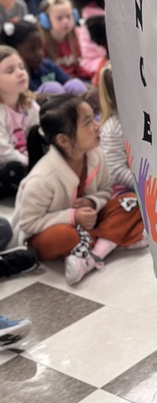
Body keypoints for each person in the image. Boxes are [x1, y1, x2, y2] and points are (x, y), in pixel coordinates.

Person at [14, 95, 146, 285]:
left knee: (132, 201)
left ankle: (91, 255)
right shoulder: (42, 178)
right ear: (63, 140)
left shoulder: (96, 155)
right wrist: (72, 216)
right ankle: (112, 239)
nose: (97, 125)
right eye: (87, 123)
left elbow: (105, 191)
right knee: (65, 236)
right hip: (53, 233)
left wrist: (93, 202)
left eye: (94, 118)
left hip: (88, 223)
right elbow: (29, 224)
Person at [1, 19, 87, 96]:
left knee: (76, 84)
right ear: (13, 52)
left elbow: (68, 82)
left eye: (40, 46)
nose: (40, 53)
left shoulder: (47, 65)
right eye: (31, 50)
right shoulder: (19, 77)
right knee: (52, 88)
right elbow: (30, 99)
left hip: (64, 107)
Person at [0, 45, 40, 197]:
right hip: (7, 164)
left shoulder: (29, 104)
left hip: (25, 159)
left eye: (21, 67)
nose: (20, 73)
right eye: (10, 71)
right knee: (15, 168)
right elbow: (4, 153)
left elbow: (38, 136)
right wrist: (30, 162)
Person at [38, 0, 90, 81]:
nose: (66, 21)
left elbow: (77, 67)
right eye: (59, 18)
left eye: (69, 16)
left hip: (75, 81)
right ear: (45, 21)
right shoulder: (42, 43)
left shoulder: (75, 38)